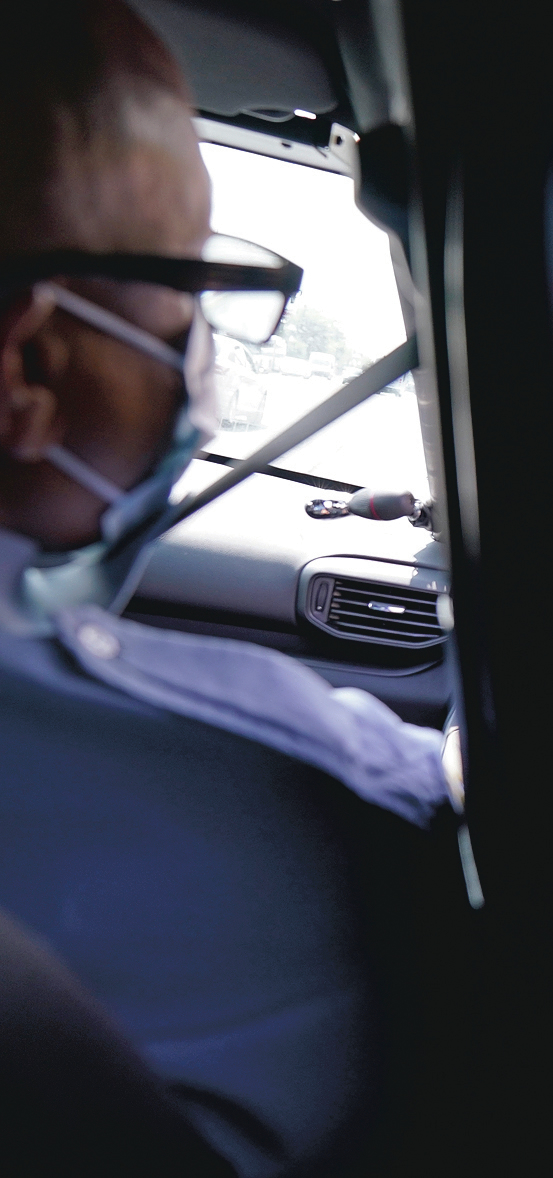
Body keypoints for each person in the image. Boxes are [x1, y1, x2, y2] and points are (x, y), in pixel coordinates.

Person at [0, 5, 453, 1172]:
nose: (199, 352)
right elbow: (449, 792)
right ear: (30, 367)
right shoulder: (284, 784)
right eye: (187, 292)